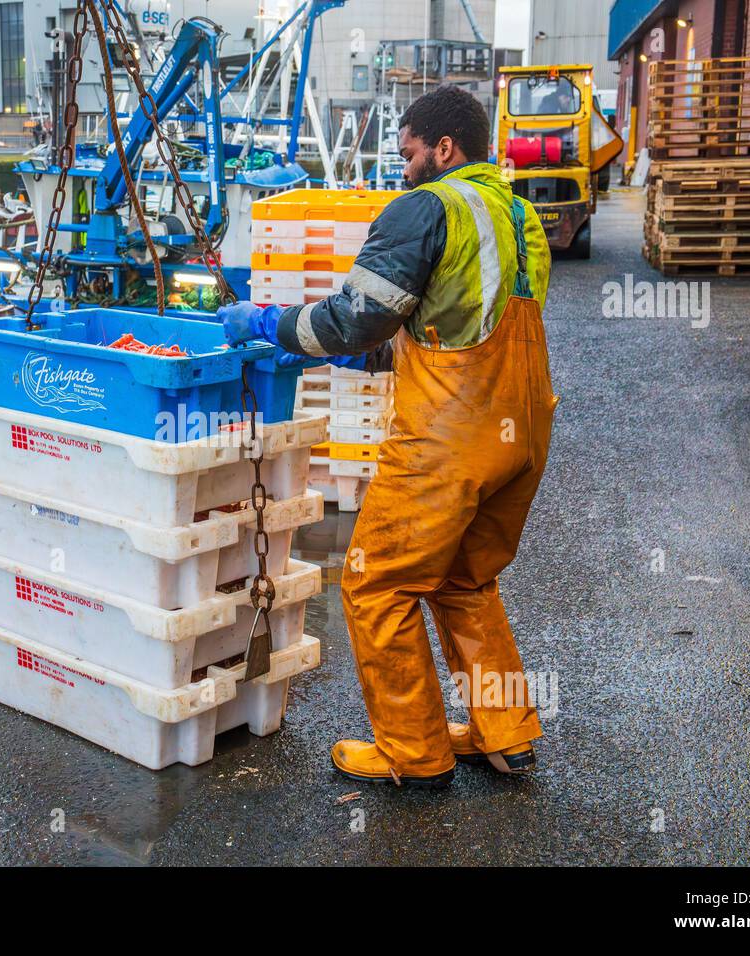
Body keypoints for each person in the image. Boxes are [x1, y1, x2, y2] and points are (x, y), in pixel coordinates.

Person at [219, 85, 555, 788]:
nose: (402, 169)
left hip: (449, 441)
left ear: (443, 148)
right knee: (466, 579)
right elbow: (458, 324)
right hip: (521, 431)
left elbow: (353, 317)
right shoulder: (518, 215)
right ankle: (506, 734)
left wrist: (269, 324)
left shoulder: (427, 207)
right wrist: (361, 350)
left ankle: (414, 753)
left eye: (408, 154)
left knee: (376, 585)